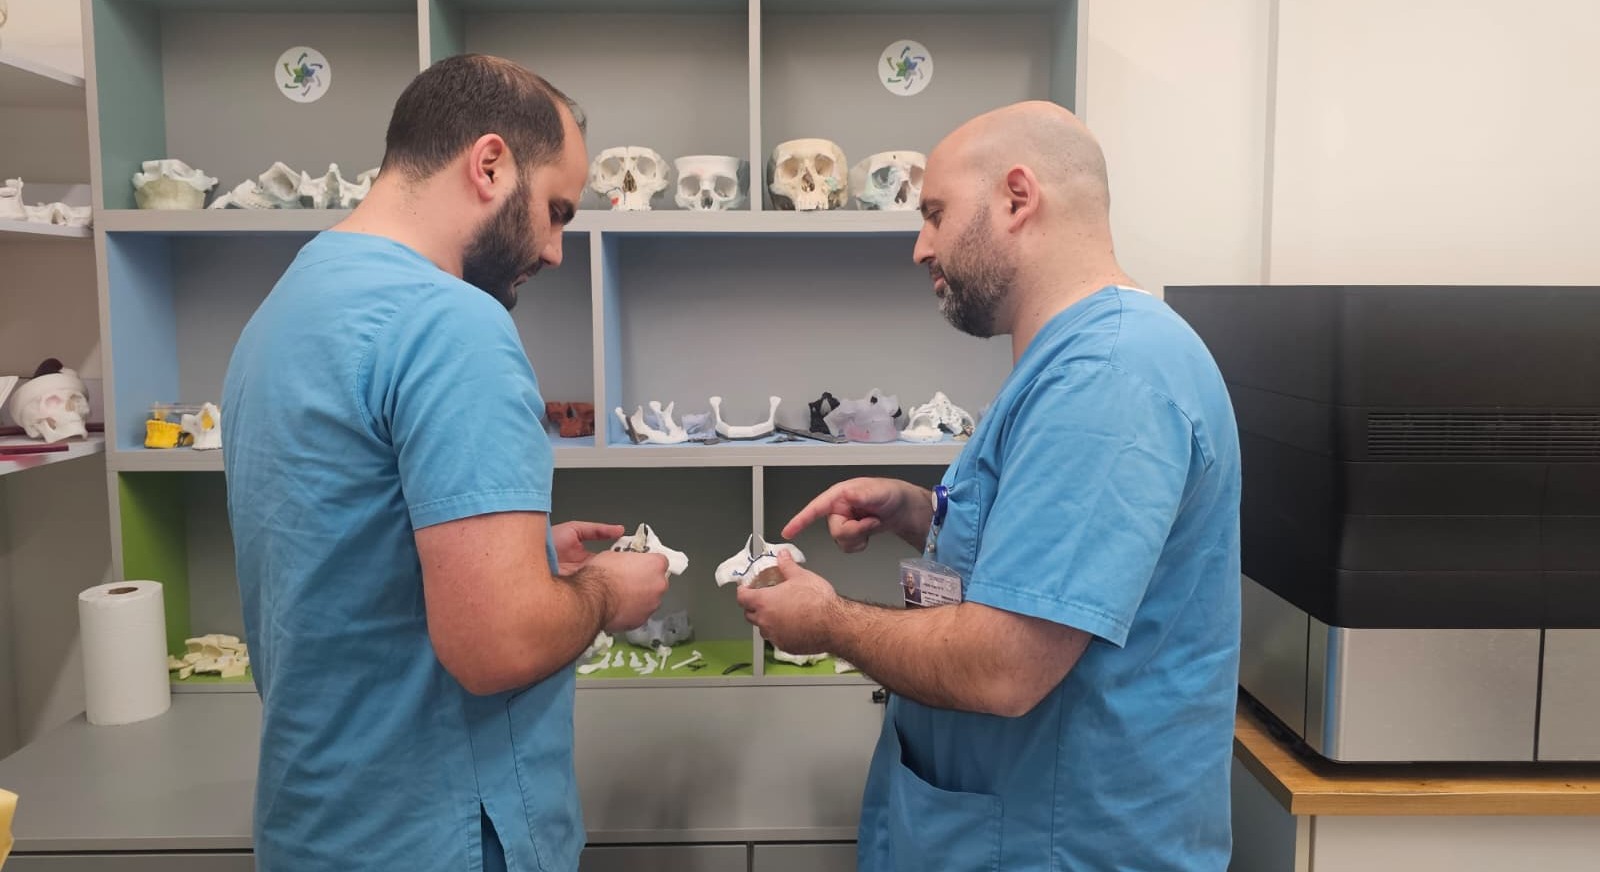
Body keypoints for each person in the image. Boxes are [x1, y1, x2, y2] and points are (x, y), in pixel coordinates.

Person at [737, 100, 1242, 871]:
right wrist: (918, 512)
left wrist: (830, 623)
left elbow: (1006, 666)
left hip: (1061, 845)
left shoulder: (1107, 378)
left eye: (935, 214)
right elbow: (1053, 557)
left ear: (1017, 197)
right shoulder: (1078, 359)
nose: (920, 246)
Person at [221, 55, 670, 872]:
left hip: (318, 822)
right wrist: (608, 591)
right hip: (437, 834)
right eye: (557, 211)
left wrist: (524, 560)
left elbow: (338, 554)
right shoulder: (452, 324)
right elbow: (497, 647)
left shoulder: (288, 305)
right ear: (489, 164)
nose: (556, 250)